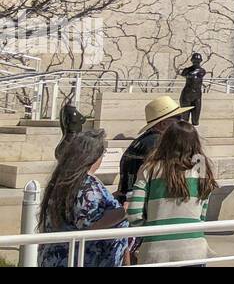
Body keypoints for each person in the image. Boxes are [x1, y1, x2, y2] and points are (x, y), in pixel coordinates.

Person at [125, 120, 216, 265]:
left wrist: (150, 231)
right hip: (194, 251)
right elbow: (202, 216)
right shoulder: (202, 171)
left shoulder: (149, 169)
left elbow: (134, 213)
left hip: (156, 252)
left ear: (165, 141)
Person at [37, 129, 129, 268]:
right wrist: (124, 211)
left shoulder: (65, 179)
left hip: (58, 258)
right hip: (81, 260)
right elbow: (92, 225)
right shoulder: (86, 186)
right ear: (94, 156)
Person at [115, 95, 193, 202]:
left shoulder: (144, 140)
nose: (183, 122)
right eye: (178, 118)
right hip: (144, 202)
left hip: (131, 198)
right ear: (163, 123)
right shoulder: (160, 143)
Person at [177, 52, 206, 125]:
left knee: (195, 120)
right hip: (187, 95)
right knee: (185, 119)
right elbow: (182, 74)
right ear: (192, 60)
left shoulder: (202, 71)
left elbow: (200, 73)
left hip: (197, 96)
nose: (196, 62)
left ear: (201, 61)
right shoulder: (187, 70)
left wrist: (192, 73)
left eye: (198, 61)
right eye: (195, 60)